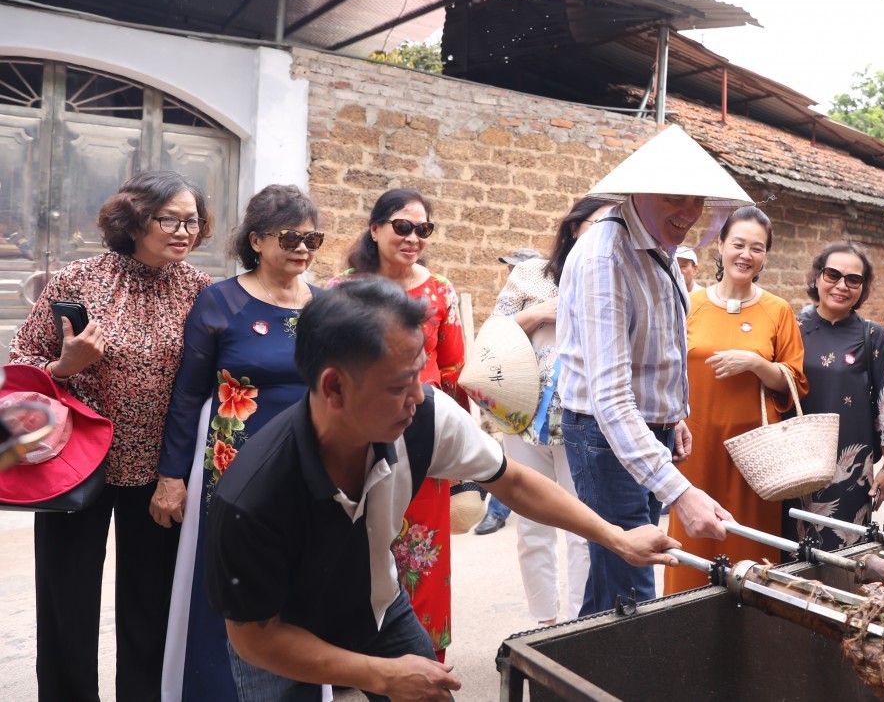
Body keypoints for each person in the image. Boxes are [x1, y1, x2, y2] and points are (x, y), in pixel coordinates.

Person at [203, 278, 678, 701]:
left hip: (376, 603)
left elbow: (511, 480)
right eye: (400, 384)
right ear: (334, 388)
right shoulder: (253, 497)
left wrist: (617, 537)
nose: (417, 396)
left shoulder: (425, 415)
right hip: (281, 633)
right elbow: (255, 639)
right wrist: (383, 677)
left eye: (419, 375)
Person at [10, 170, 213, 702]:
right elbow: (21, 361)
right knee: (67, 601)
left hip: (161, 470)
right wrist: (63, 365)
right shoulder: (79, 279)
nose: (183, 230)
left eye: (192, 220)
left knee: (152, 604)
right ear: (134, 219)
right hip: (78, 463)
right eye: (169, 218)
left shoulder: (200, 291)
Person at [559, 124, 748, 615]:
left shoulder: (659, 252)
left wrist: (672, 415)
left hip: (644, 434)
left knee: (612, 591)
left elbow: (656, 349)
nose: (688, 213)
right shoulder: (607, 255)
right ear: (638, 191)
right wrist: (680, 494)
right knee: (634, 592)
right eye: (674, 198)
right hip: (605, 439)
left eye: (697, 201)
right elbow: (611, 399)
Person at [154, 185, 324, 701]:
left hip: (306, 464)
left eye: (312, 238)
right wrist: (171, 477)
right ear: (256, 239)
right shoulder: (220, 300)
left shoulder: (327, 305)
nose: (303, 247)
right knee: (229, 578)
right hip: (231, 463)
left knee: (299, 578)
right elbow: (187, 395)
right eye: (290, 236)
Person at [328, 188, 465, 657]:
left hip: (423, 434)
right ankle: (355, 658)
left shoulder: (440, 289)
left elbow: (453, 372)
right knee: (355, 547)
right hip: (357, 437)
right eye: (402, 227)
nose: (413, 238)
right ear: (375, 228)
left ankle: (425, 658)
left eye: (423, 229)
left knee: (423, 552)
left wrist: (457, 448)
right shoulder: (341, 289)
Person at [664, 206, 807, 594]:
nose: (746, 255)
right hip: (695, 445)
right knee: (692, 544)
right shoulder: (688, 304)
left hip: (755, 454)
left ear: (765, 256)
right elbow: (665, 367)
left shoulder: (777, 310)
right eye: (738, 244)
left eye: (757, 248)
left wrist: (757, 363)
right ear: (721, 247)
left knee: (751, 551)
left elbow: (794, 380)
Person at [484, 197, 611, 622]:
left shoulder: (613, 276)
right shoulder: (531, 273)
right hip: (522, 413)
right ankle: (544, 623)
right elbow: (493, 333)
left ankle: (576, 624)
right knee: (532, 527)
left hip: (582, 420)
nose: (607, 230)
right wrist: (539, 314)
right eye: (598, 222)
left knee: (580, 528)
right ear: (575, 227)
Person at [790, 241, 884, 549]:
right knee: (793, 552)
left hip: (850, 467)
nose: (841, 285)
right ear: (817, 277)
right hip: (796, 461)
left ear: (862, 288)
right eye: (832, 274)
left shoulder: (872, 335)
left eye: (853, 279)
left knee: (845, 554)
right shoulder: (791, 326)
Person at [474, 247, 543, 536]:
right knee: (508, 458)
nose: (510, 272)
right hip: (514, 393)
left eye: (516, 267)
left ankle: (496, 510)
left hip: (542, 396)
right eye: (509, 267)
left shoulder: (541, 299)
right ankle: (496, 511)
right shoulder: (510, 300)